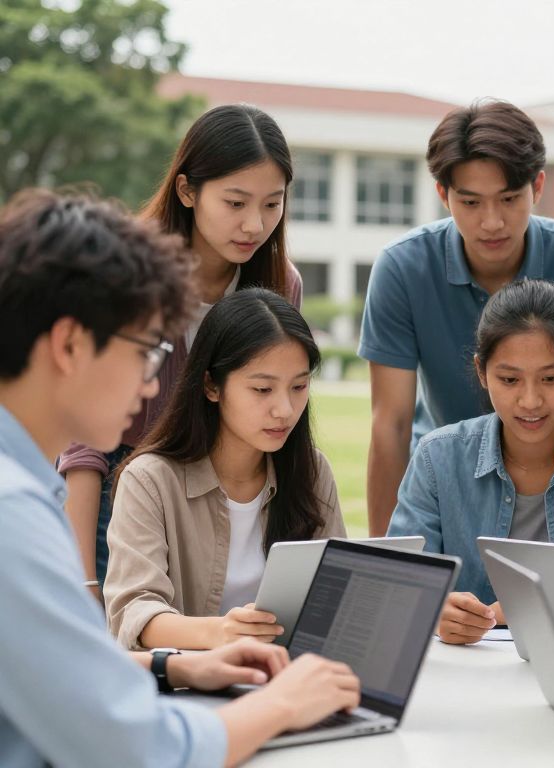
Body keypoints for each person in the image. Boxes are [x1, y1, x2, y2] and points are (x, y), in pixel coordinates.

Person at [0, 189, 359, 767]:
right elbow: (137, 749)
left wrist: (174, 664)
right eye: (145, 351)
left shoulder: (23, 493)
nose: (151, 383)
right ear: (69, 344)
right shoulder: (13, 516)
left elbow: (61, 671)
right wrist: (282, 704)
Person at [60, 104, 305, 599]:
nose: (254, 225)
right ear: (187, 190)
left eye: (272, 204)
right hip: (127, 489)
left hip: (226, 497)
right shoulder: (125, 276)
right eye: (235, 203)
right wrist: (83, 577)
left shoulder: (280, 283)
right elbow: (84, 442)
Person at [359, 100, 554, 535]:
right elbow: (390, 426)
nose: (491, 222)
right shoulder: (402, 267)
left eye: (509, 199)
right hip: (442, 484)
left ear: (537, 186)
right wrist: (388, 564)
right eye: (470, 201)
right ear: (443, 194)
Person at [387, 279, 554, 645]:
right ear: (482, 371)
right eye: (510, 379)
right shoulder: (438, 456)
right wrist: (434, 610)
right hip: (463, 669)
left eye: (550, 378)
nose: (530, 401)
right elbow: (399, 584)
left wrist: (498, 613)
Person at [104, 289, 345, 650]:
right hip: (186, 687)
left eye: (299, 386)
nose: (285, 408)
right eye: (263, 389)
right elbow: (134, 612)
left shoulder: (311, 471)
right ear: (211, 385)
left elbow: (337, 593)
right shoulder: (150, 480)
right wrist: (223, 633)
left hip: (285, 679)